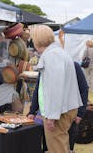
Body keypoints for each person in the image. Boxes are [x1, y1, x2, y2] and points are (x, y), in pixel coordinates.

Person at [28, 25, 82, 153]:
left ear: (37, 40)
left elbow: (55, 87)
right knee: (60, 146)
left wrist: (52, 116)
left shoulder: (52, 55)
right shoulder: (57, 52)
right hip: (62, 109)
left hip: (59, 112)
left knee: (57, 148)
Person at [28, 61, 88, 153]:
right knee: (48, 147)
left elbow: (83, 89)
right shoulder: (44, 67)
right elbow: (39, 89)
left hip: (67, 114)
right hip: (48, 115)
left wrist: (80, 113)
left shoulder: (73, 66)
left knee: (66, 148)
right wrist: (32, 111)